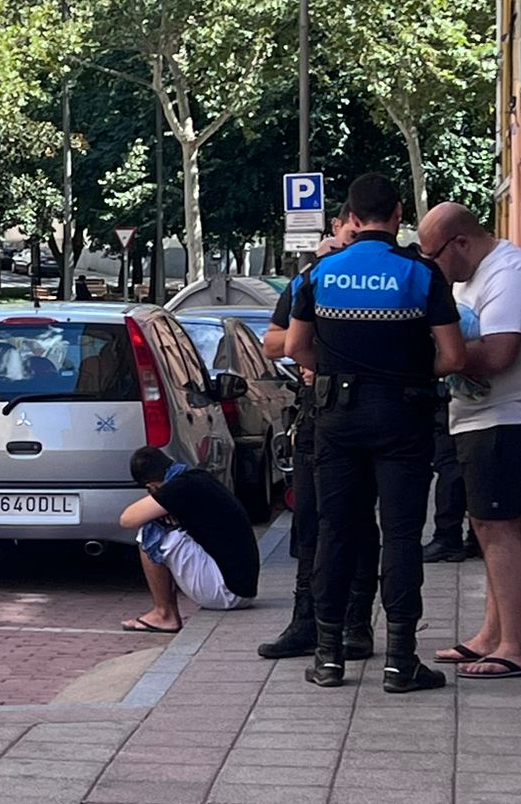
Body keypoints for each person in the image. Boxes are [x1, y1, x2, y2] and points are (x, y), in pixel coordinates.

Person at [286, 173, 466, 692]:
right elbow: (452, 357)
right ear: (399, 213)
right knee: (403, 535)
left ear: (352, 216)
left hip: (336, 419)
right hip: (402, 419)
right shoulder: (421, 274)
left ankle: (328, 657)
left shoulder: (319, 274)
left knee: (337, 533)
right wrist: (409, 373)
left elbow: (295, 347)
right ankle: (401, 660)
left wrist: (337, 370)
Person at [416, 203, 521, 680]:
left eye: (434, 256)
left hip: (515, 420)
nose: (432, 267)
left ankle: (517, 647)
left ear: (460, 242)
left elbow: (500, 353)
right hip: (488, 419)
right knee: (491, 525)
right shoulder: (470, 276)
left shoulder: (509, 274)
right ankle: (492, 634)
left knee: (496, 526)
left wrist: (433, 362)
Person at [257, 212, 380, 662]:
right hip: (315, 413)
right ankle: (305, 620)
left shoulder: (381, 279)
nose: (354, 245)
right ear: (337, 227)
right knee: (309, 520)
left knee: (358, 522)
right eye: (350, 234)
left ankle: (356, 622)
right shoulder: (313, 277)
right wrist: (313, 341)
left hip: (360, 414)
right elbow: (273, 343)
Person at [117, 445, 260, 633]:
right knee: (161, 525)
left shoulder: (179, 488)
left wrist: (158, 511)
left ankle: (164, 614)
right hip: (242, 588)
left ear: (151, 486)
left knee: (149, 532)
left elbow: (127, 519)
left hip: (226, 593)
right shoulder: (196, 477)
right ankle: (165, 612)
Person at [424, 391, 474, 563]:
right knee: (466, 468)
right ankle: (474, 538)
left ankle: (447, 538)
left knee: (450, 467)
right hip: (472, 408)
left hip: (455, 404)